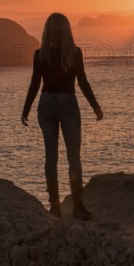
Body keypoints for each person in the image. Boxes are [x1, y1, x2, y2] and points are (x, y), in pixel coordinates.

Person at [22, 13, 104, 221]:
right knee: (73, 157)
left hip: (46, 103)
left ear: (47, 30)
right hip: (68, 102)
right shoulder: (75, 53)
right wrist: (95, 107)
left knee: (51, 157)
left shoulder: (40, 54)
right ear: (67, 30)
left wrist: (26, 109)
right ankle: (77, 207)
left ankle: (55, 207)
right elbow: (83, 83)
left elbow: (34, 84)